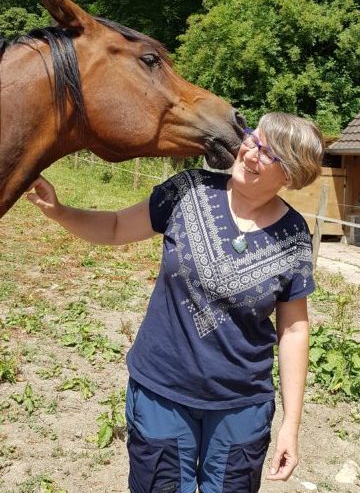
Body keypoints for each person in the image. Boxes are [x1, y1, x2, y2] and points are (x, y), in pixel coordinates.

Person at [27, 112, 324, 493]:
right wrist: (60, 212)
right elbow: (117, 226)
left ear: (291, 175)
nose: (251, 153)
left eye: (270, 154)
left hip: (240, 405)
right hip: (161, 393)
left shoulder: (294, 234)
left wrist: (291, 425)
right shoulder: (189, 189)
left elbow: (294, 329)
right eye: (254, 139)